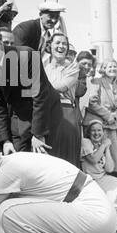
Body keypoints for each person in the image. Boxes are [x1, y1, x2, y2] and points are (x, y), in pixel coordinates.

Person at [0, 19, 62, 155]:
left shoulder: (27, 55)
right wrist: (5, 141)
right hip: (20, 114)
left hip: (45, 114)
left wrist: (38, 134)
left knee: (42, 160)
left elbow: (40, 96)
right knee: (17, 156)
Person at [84, 59, 117, 174]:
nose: (113, 69)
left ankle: (113, 174)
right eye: (109, 67)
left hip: (111, 124)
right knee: (98, 151)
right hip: (97, 122)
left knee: (112, 152)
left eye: (114, 67)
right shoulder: (97, 81)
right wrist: (108, 115)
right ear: (104, 69)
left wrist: (114, 116)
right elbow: (92, 103)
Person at [45, 33, 82, 167]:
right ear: (50, 46)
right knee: (51, 157)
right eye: (57, 43)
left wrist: (39, 89)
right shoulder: (45, 67)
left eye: (64, 44)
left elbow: (60, 87)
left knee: (68, 160)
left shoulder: (72, 67)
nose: (61, 46)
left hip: (66, 113)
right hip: (47, 113)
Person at [81, 120, 117, 208]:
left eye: (99, 130)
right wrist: (104, 145)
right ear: (88, 132)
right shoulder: (86, 142)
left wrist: (107, 149)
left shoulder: (101, 145)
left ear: (103, 132)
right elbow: (93, 159)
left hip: (104, 177)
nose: (96, 133)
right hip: (92, 180)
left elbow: (109, 169)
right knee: (114, 197)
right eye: (93, 130)